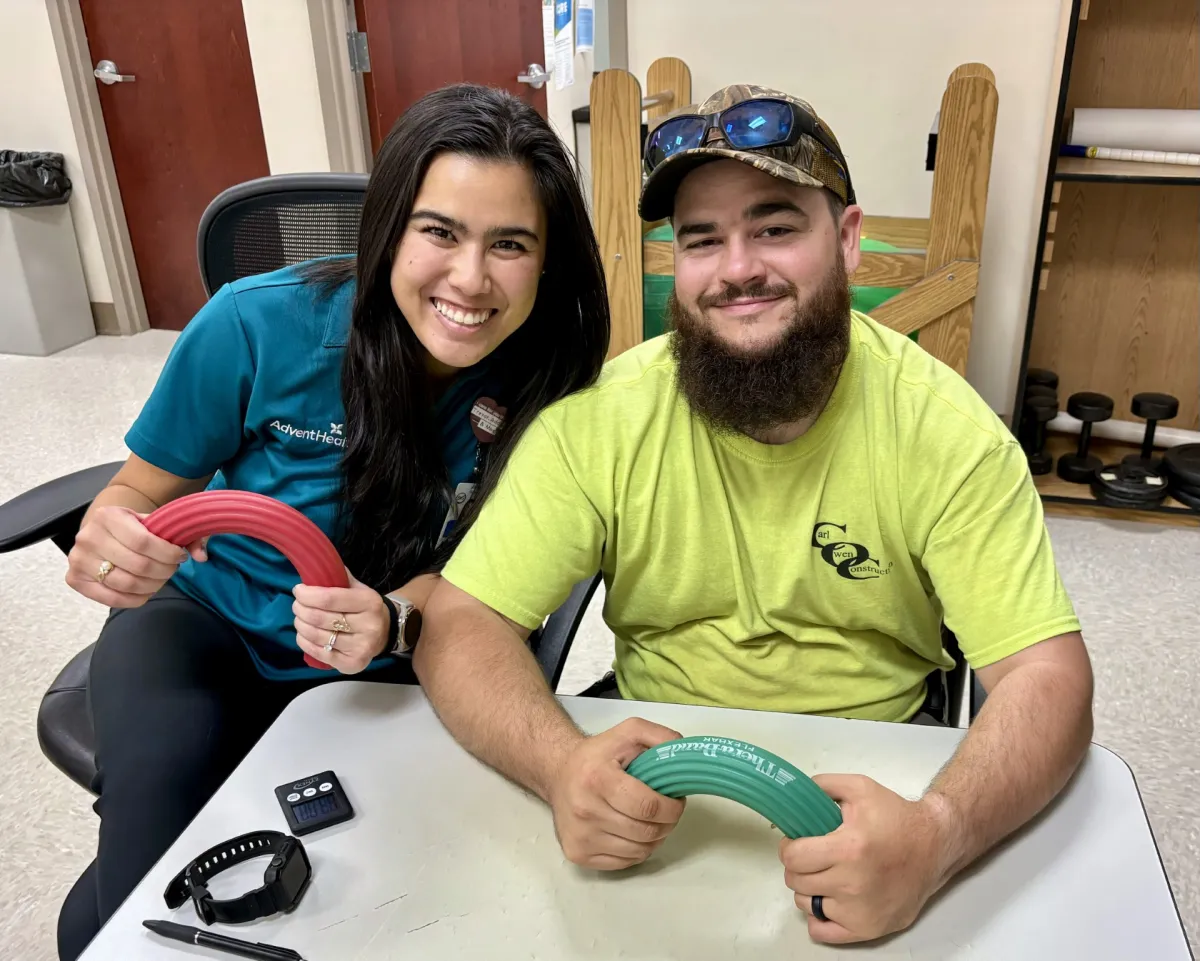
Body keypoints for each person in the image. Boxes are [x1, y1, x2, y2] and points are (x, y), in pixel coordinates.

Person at [413, 86, 1094, 944]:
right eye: (702, 239)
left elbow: (1050, 678)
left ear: (847, 241)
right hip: (655, 777)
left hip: (876, 768)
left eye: (775, 227)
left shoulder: (946, 434)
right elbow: (462, 622)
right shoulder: (601, 420)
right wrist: (559, 766)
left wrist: (940, 833)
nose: (737, 268)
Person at [56, 84, 609, 960]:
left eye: (510, 244)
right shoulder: (256, 321)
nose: (470, 279)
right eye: (440, 231)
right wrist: (115, 536)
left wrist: (394, 617)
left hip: (392, 655)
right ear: (388, 228)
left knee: (410, 902)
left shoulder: (553, 379)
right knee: (141, 892)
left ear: (547, 263)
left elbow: (486, 578)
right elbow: (139, 491)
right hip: (208, 626)